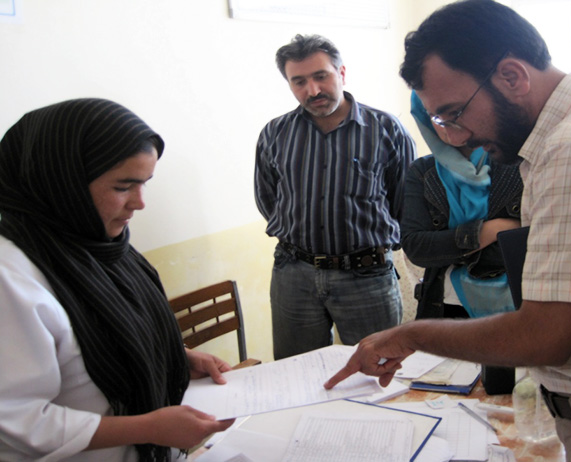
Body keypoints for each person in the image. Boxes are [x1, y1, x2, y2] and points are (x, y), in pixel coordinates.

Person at [325, 1, 571, 461]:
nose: (456, 137)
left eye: (456, 113)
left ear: (512, 76)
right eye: (442, 122)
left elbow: (545, 336)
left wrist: (410, 335)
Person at [0, 98, 234, 462]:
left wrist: (176, 356)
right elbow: (14, 418)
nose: (140, 203)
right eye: (124, 186)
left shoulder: (98, 242)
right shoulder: (10, 277)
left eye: (145, 183)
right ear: (63, 183)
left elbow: (95, 345)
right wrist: (148, 428)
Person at [255, 34, 416, 360]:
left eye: (321, 76)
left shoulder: (387, 129)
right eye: (298, 81)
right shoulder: (274, 134)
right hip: (293, 275)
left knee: (380, 374)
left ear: (341, 73)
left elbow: (405, 201)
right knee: (294, 376)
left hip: (367, 276)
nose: (312, 90)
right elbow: (268, 198)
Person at [403, 90, 522, 321]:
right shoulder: (423, 172)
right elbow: (417, 248)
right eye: (435, 116)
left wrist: (448, 247)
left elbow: (531, 242)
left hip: (517, 308)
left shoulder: (516, 162)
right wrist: (492, 230)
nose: (448, 123)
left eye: (455, 111)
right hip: (443, 307)